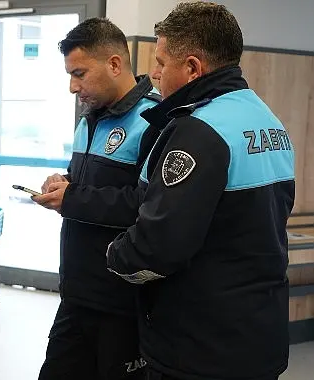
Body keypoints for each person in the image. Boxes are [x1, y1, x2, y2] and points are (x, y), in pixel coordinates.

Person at [106, 3, 295, 380]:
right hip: (259, 334)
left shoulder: (199, 131)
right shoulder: (267, 120)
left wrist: (114, 255)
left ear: (192, 68)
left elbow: (158, 248)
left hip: (200, 348)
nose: (154, 74)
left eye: (160, 63)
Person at [33, 18, 161, 379]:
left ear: (115, 64)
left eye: (80, 74)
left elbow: (147, 206)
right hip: (77, 294)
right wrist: (64, 182)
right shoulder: (89, 120)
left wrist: (73, 198)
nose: (73, 86)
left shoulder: (153, 121)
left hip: (122, 302)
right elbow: (89, 183)